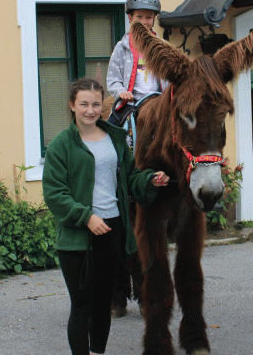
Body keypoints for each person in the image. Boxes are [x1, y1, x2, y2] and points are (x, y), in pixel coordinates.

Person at [43, 78, 169, 355]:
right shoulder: (61, 145)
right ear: (72, 106)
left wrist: (150, 180)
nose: (90, 110)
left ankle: (98, 351)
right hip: (78, 236)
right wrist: (86, 217)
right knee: (82, 305)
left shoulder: (115, 138)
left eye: (96, 104)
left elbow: (130, 177)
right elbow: (54, 194)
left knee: (102, 303)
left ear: (103, 106)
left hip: (113, 229)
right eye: (84, 104)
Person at [106, 0, 169, 126]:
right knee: (111, 131)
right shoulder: (122, 47)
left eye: (148, 17)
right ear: (130, 17)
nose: (144, 22)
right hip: (130, 103)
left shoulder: (163, 48)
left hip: (158, 103)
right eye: (139, 16)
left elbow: (171, 77)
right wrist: (121, 92)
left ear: (154, 19)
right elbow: (113, 79)